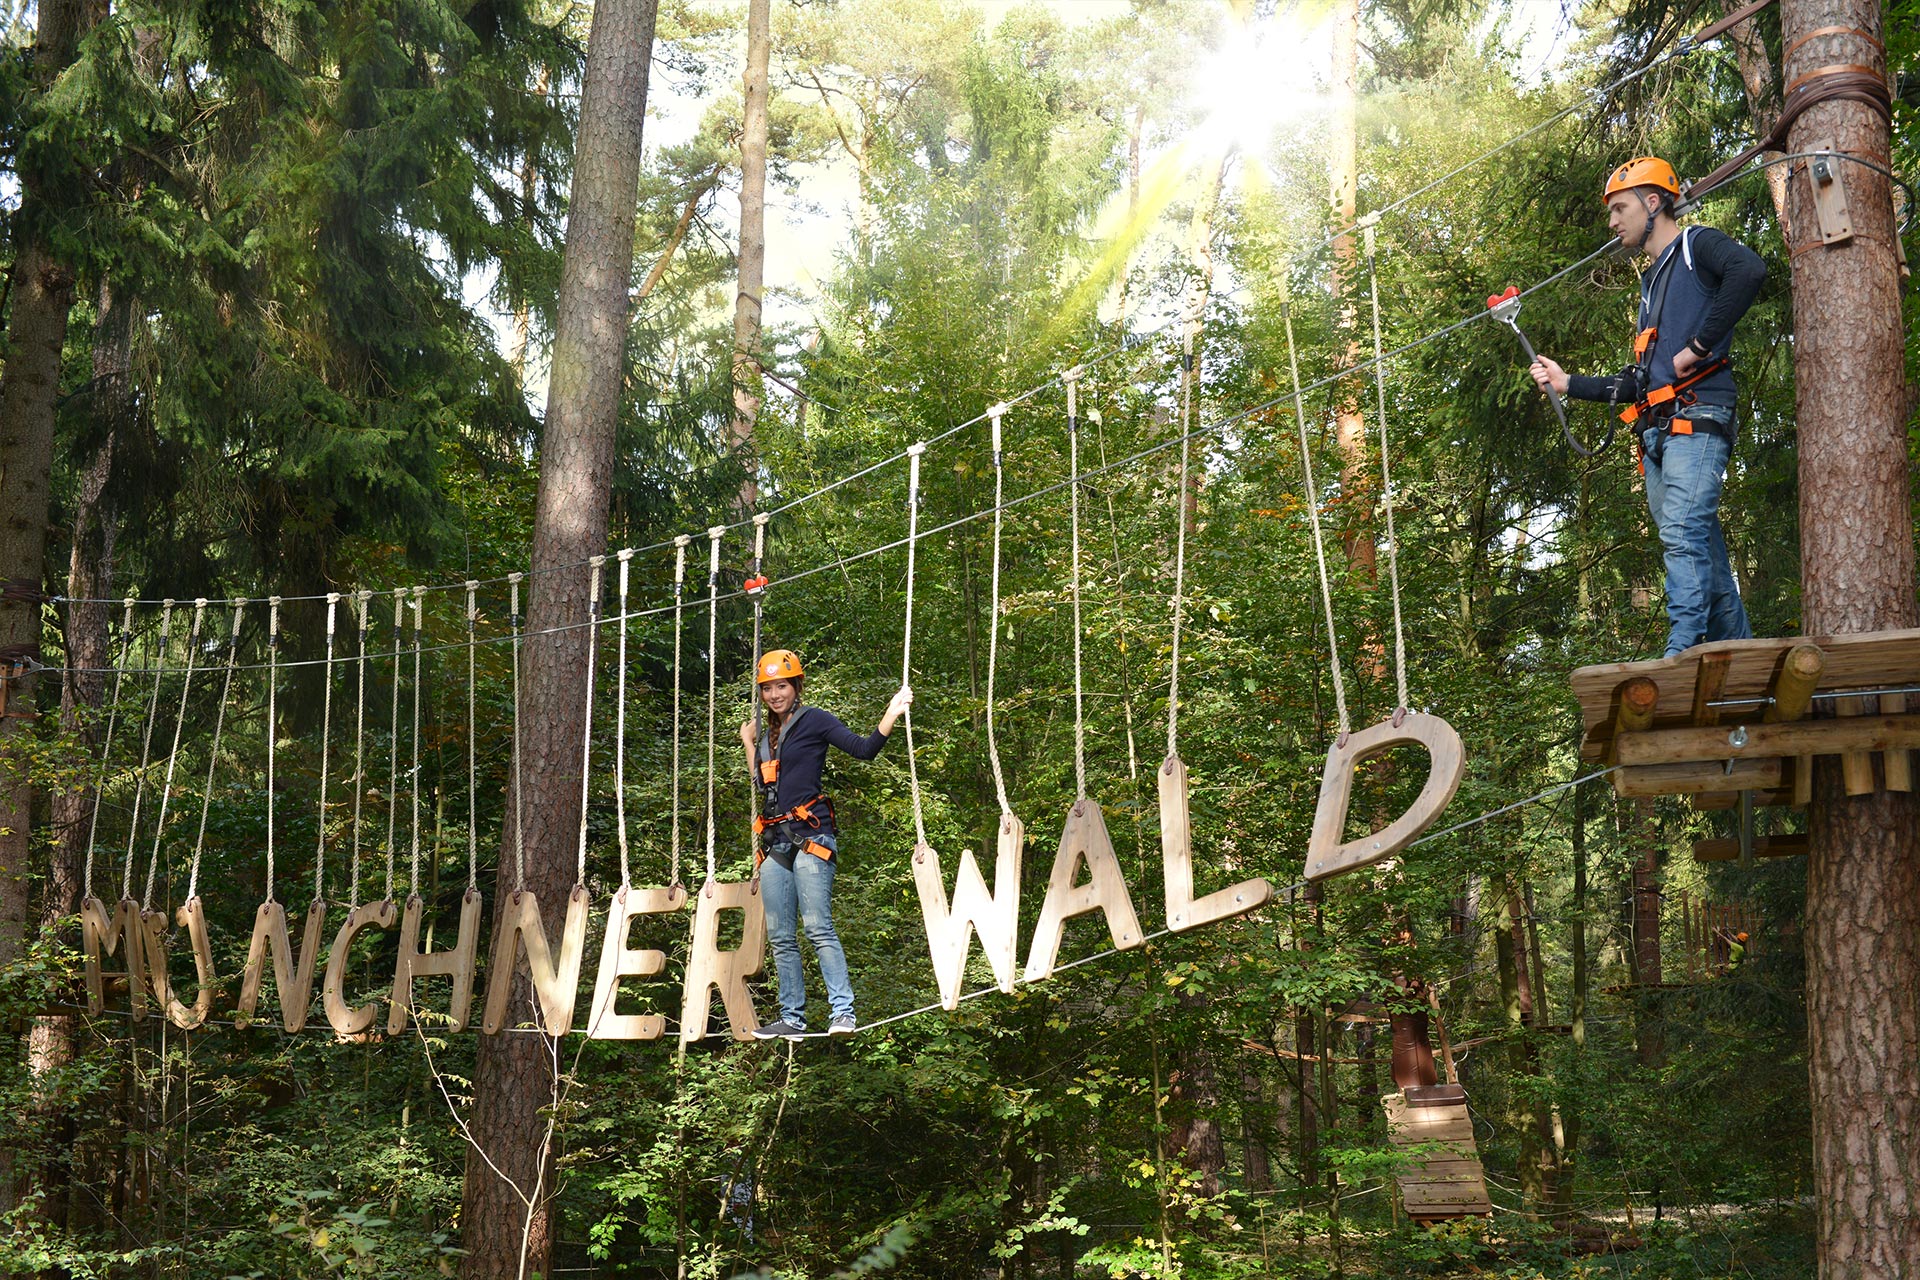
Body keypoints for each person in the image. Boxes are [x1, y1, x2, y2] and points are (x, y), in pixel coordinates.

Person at [1530, 156, 1767, 658]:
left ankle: (1682, 649)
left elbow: (1748, 269)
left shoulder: (1694, 245)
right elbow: (1642, 381)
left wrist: (1701, 345)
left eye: (1620, 209)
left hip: (1697, 418)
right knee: (1702, 553)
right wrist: (1568, 382)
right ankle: (1741, 653)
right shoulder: (1652, 282)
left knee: (1682, 534)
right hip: (1659, 432)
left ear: (1653, 202)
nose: (1613, 222)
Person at [738, 648, 912, 1039]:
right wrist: (750, 742)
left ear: (796, 686)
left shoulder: (814, 720)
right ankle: (792, 1018)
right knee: (781, 936)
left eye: (781, 686)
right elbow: (761, 782)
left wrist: (891, 712)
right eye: (767, 689)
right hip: (774, 842)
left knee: (818, 927)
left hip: (811, 835)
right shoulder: (769, 735)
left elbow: (863, 749)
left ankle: (843, 1012)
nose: (774, 695)